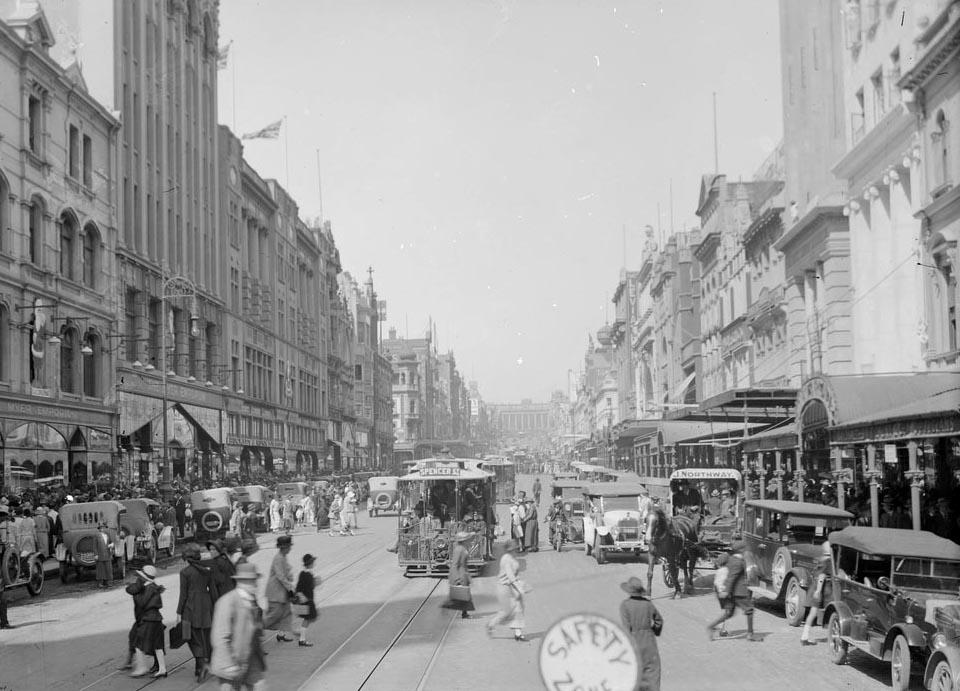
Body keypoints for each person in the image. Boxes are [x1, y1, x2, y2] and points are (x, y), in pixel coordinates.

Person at [210, 562, 267, 690]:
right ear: (242, 582)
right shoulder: (227, 602)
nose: (256, 585)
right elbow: (219, 637)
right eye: (253, 581)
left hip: (251, 659)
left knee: (261, 687)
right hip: (231, 661)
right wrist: (228, 664)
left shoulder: (252, 601)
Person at [706, 541, 761, 642]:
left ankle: (711, 626)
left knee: (729, 613)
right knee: (749, 610)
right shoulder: (737, 562)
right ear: (741, 550)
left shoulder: (732, 559)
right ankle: (750, 634)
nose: (746, 550)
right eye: (744, 549)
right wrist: (726, 591)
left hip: (732, 592)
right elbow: (732, 577)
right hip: (738, 592)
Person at [177, 543, 216, 683]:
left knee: (192, 637)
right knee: (206, 636)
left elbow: (183, 594)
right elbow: (212, 591)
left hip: (191, 607)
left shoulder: (185, 573)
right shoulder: (208, 570)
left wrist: (179, 612)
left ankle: (201, 665)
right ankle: (200, 666)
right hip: (206, 606)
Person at [619, 577, 662, 691]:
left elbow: (626, 628)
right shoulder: (648, 604)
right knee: (653, 674)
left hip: (634, 642)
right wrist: (654, 630)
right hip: (649, 642)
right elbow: (658, 620)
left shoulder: (625, 605)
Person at [129, 565, 167, 678]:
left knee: (138, 643)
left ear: (144, 578)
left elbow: (142, 603)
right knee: (157, 645)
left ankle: (142, 668)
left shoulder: (149, 588)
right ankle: (162, 669)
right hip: (157, 619)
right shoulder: (154, 587)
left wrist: (136, 594)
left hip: (148, 619)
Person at [486, 540, 527, 641]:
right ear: (509, 550)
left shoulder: (513, 557)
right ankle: (491, 624)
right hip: (504, 587)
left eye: (516, 548)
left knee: (519, 608)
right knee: (506, 612)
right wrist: (519, 587)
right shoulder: (506, 559)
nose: (515, 550)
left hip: (513, 586)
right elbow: (510, 576)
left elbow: (515, 575)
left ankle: (518, 633)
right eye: (514, 549)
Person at [263, 534, 296, 642]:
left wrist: (290, 578)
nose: (290, 548)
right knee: (273, 616)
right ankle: (256, 630)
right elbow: (280, 576)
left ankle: (281, 635)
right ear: (284, 547)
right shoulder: (278, 558)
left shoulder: (283, 557)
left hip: (282, 592)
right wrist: (290, 588)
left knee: (286, 613)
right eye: (289, 547)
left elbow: (286, 572)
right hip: (276, 592)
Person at [800, 541, 833, 646]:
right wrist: (818, 591)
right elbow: (821, 577)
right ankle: (831, 637)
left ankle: (804, 637)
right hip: (820, 590)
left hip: (815, 589)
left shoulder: (821, 559)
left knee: (812, 614)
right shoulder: (828, 561)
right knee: (827, 613)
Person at [442, 531, 475, 619]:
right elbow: (455, 565)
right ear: (463, 540)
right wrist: (457, 578)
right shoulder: (459, 549)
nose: (469, 540)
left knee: (464, 594)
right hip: (460, 574)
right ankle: (463, 613)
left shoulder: (463, 548)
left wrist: (468, 577)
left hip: (463, 573)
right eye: (467, 539)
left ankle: (464, 613)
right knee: (461, 595)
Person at [294, 554, 318, 646]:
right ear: (310, 563)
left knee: (307, 618)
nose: (314, 564)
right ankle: (302, 639)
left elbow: (299, 587)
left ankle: (301, 635)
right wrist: (315, 582)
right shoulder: (308, 575)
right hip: (307, 601)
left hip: (303, 600)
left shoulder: (302, 573)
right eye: (313, 562)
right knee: (309, 618)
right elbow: (310, 587)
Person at [95, 522, 114, 588]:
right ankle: (100, 583)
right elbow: (94, 546)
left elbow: (111, 542)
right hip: (100, 555)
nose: (102, 529)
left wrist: (111, 545)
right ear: (99, 529)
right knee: (100, 569)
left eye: (103, 527)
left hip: (107, 554)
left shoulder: (108, 535)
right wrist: (96, 554)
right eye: (100, 528)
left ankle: (109, 582)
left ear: (105, 528)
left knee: (108, 569)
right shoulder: (96, 535)